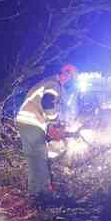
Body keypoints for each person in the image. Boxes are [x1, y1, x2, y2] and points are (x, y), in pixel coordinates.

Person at [16, 64, 79, 199]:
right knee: (41, 157)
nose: (69, 79)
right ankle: (45, 193)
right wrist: (53, 122)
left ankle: (34, 193)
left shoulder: (47, 82)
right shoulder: (54, 83)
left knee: (33, 159)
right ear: (65, 73)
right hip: (33, 121)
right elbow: (48, 103)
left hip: (25, 121)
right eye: (70, 75)